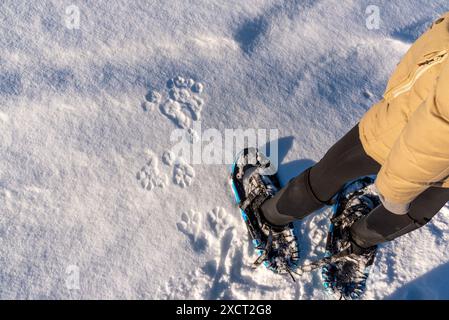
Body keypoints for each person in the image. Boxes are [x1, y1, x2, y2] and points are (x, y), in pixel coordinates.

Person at [258, 12, 449, 254]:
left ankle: (272, 215)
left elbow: (438, 130)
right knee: (412, 210)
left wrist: (396, 190)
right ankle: (357, 242)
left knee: (335, 171)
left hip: (403, 125)